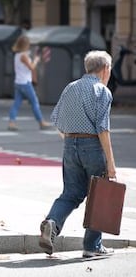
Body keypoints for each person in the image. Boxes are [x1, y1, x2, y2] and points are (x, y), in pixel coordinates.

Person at [39, 50, 116, 258]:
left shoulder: (70, 88)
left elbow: (57, 120)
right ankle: (92, 246)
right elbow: (103, 129)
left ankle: (52, 222)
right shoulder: (102, 91)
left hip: (70, 143)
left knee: (71, 193)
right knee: (97, 196)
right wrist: (111, 163)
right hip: (92, 145)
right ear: (105, 69)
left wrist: (72, 142)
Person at [8, 35, 52, 131]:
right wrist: (36, 60)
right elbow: (31, 67)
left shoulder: (17, 55)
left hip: (18, 82)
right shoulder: (23, 56)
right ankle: (41, 122)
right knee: (34, 102)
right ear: (25, 45)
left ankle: (11, 122)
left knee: (17, 103)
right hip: (25, 83)